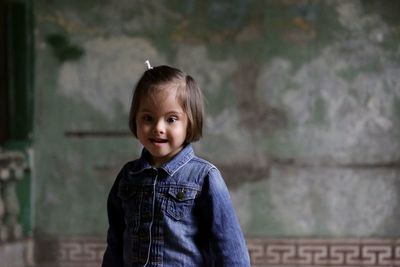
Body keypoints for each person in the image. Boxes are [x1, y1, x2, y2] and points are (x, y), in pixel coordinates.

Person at [102, 63, 251, 267]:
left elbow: (230, 249)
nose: (158, 128)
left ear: (189, 123)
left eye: (171, 119)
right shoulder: (128, 176)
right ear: (135, 119)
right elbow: (115, 244)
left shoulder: (203, 177)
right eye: (148, 118)